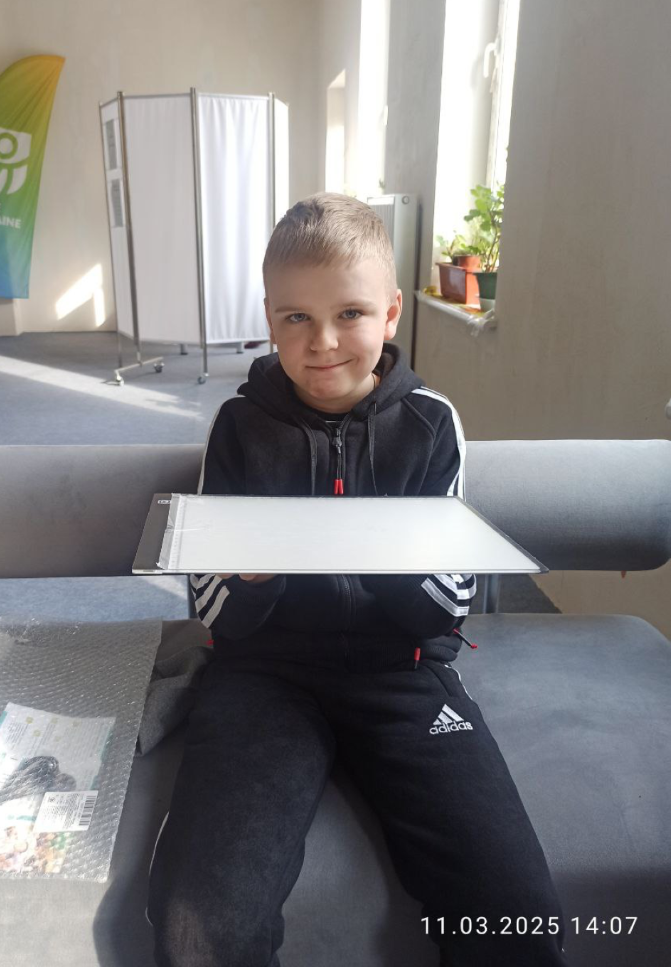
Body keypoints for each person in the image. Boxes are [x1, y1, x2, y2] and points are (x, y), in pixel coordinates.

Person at [148, 193, 567, 966]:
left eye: (350, 313)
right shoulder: (238, 427)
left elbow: (448, 606)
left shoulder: (431, 424)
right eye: (296, 317)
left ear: (392, 312)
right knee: (197, 926)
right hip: (264, 677)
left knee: (518, 917)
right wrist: (255, 573)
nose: (324, 342)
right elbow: (213, 607)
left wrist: (365, 544)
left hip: (401, 672)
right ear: (269, 318)